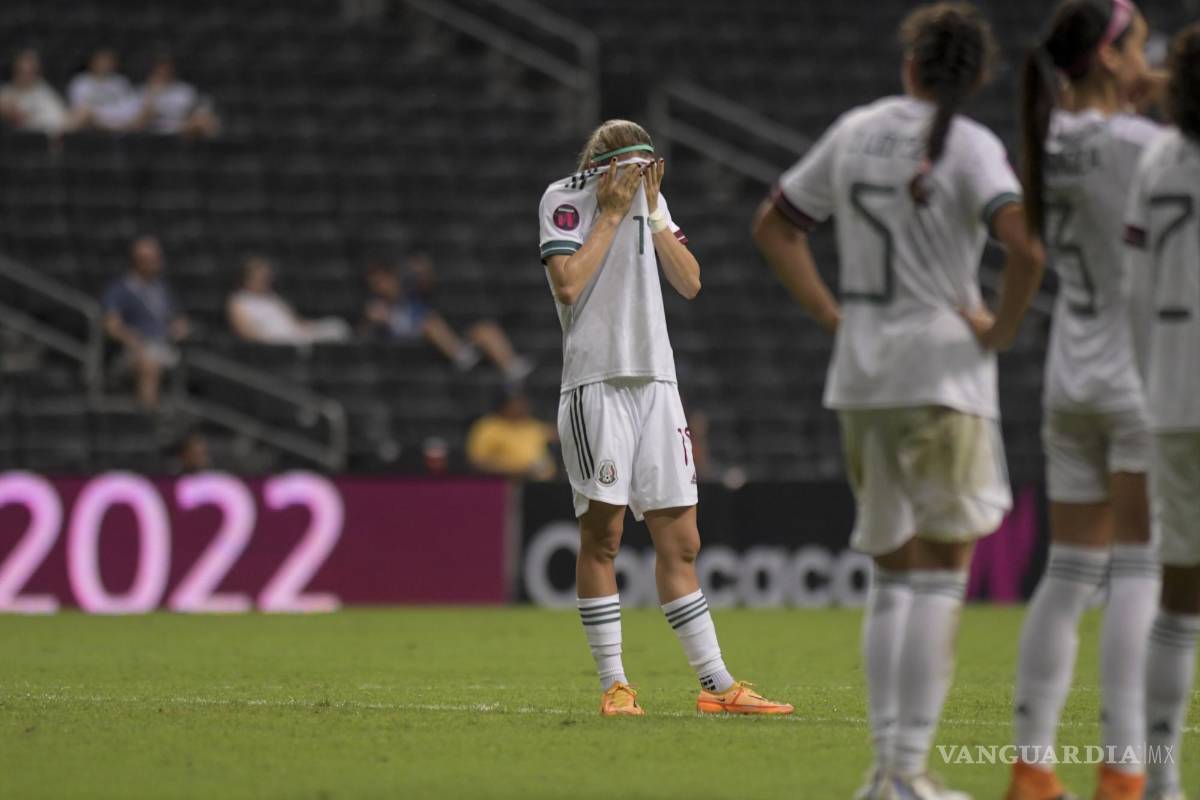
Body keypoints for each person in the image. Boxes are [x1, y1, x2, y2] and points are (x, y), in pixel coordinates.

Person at [753, 5, 1045, 798]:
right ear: (974, 76)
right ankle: (908, 772)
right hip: (942, 378)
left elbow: (775, 227)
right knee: (942, 577)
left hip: (864, 377)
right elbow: (1025, 246)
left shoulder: (855, 130)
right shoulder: (973, 148)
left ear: (910, 62)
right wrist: (1001, 330)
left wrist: (831, 316)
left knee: (890, 577)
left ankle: (885, 773)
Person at [540, 119, 793, 718]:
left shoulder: (651, 202)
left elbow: (690, 281)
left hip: (658, 384)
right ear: (605, 167)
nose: (646, 178)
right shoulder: (562, 198)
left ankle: (717, 685)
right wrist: (610, 214)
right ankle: (615, 686)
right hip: (596, 384)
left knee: (682, 543)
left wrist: (652, 213)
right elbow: (569, 285)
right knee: (602, 538)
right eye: (637, 168)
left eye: (652, 169)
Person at [1006, 3, 1166, 798]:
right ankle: (1122, 773)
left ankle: (1032, 768)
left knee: (1068, 573)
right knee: (1139, 573)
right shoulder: (1145, 146)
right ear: (1109, 59)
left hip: (1068, 374)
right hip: (1138, 376)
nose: (1151, 54)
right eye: (1139, 45)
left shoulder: (1045, 140)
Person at [1125, 23, 1200, 800]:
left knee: (1180, 591)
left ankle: (1162, 777)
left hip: (1175, 396)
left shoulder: (1155, 160)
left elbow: (1137, 295)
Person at [362, 256, 533, 382]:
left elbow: (428, 277)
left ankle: (511, 367)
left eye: (384, 281)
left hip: (443, 343)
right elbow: (371, 337)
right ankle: (460, 354)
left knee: (485, 329)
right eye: (376, 284)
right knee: (429, 322)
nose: (382, 287)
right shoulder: (377, 308)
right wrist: (379, 322)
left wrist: (421, 270)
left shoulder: (411, 296)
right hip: (418, 350)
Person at [102, 235, 189, 408]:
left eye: (158, 258)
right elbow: (110, 325)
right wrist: (129, 338)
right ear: (137, 262)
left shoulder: (162, 288)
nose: (158, 263)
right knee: (149, 362)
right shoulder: (121, 289)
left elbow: (178, 318)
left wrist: (180, 329)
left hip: (164, 345)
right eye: (152, 259)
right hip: (133, 350)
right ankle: (149, 418)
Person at [228, 256, 351, 345]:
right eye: (260, 277)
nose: (265, 281)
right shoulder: (239, 301)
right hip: (272, 341)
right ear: (247, 278)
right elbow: (244, 332)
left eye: (266, 277)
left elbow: (297, 322)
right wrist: (266, 341)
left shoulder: (273, 297)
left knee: (337, 326)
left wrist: (313, 328)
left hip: (294, 336)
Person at [466, 391, 556, 480]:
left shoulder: (533, 425)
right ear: (504, 405)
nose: (521, 407)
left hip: (547, 483)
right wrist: (517, 470)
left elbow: (558, 436)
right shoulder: (487, 427)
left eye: (523, 403)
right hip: (504, 484)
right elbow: (477, 463)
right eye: (516, 403)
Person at [0, 48, 85, 136]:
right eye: (24, 72)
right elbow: (14, 116)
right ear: (15, 70)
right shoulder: (7, 91)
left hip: (63, 126)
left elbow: (60, 109)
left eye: (32, 71)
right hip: (40, 134)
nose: (28, 75)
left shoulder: (41, 86)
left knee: (84, 111)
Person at [137, 52, 218, 138]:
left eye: (167, 67)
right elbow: (139, 123)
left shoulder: (185, 90)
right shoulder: (143, 90)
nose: (164, 70)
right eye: (160, 67)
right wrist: (152, 93)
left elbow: (199, 115)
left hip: (181, 134)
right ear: (153, 69)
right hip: (151, 136)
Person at [68, 47, 140, 131]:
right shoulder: (81, 82)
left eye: (108, 61)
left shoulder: (121, 82)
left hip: (120, 124)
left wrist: (106, 118)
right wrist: (99, 118)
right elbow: (80, 109)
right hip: (91, 125)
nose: (104, 64)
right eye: (101, 60)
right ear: (92, 62)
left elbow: (130, 109)